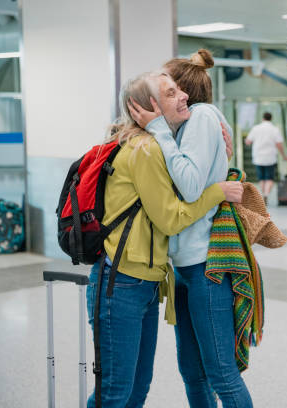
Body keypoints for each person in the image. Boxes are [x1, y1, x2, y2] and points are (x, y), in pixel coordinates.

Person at [86, 72, 244, 408]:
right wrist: (217, 192)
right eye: (171, 92)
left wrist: (216, 138)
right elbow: (171, 218)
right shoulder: (145, 149)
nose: (183, 95)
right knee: (116, 394)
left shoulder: (156, 143)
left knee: (134, 390)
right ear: (149, 108)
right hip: (122, 282)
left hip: (144, 283)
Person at [128, 49, 254, 407]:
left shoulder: (200, 118)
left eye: (168, 90)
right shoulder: (185, 127)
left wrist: (158, 131)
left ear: (183, 92)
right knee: (192, 372)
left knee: (221, 374)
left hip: (205, 268)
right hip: (184, 267)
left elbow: (190, 186)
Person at [245, 112, 287, 204]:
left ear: (263, 118)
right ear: (271, 118)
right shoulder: (274, 129)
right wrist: (284, 156)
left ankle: (262, 193)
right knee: (269, 178)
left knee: (261, 178)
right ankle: (266, 194)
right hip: (270, 157)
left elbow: (248, 142)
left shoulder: (256, 128)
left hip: (258, 157)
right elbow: (279, 144)